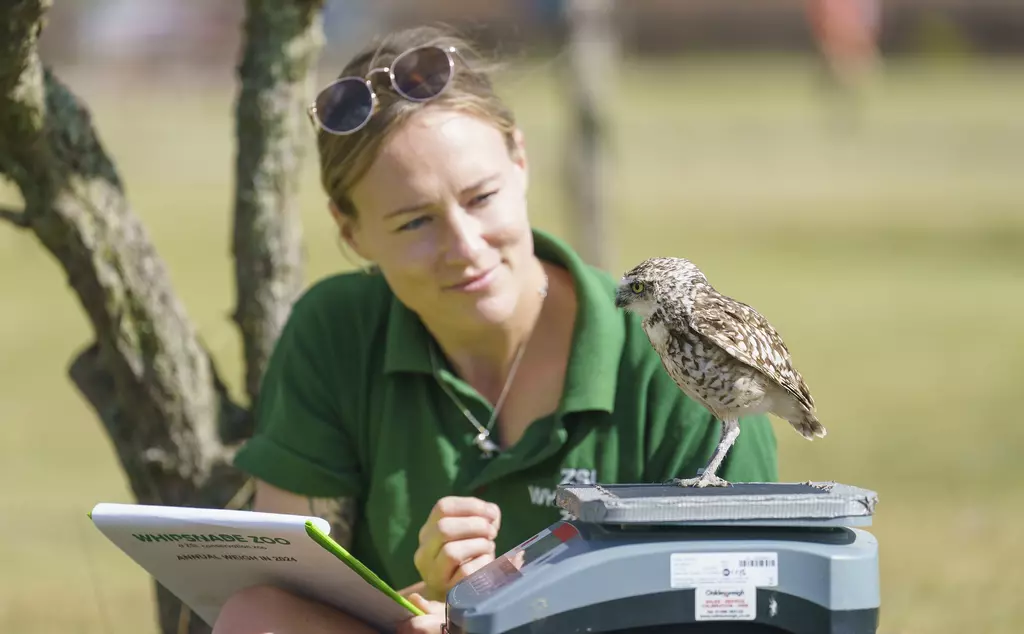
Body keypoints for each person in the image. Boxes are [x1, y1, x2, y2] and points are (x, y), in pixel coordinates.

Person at [212, 24, 779, 634]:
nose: (464, 247)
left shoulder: (683, 363)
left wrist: (506, 613)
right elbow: (279, 599)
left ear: (521, 161)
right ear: (351, 234)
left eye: (481, 197)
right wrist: (424, 604)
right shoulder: (335, 331)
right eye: (413, 224)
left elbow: (743, 608)